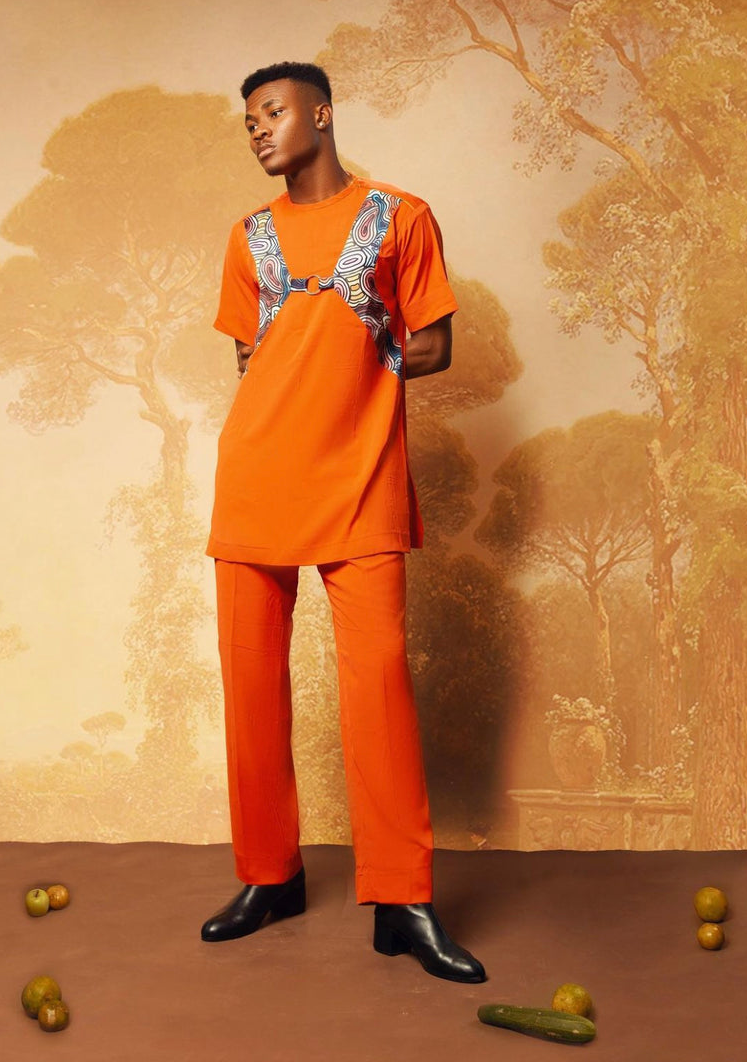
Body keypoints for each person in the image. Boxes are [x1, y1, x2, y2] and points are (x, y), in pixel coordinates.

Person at [201, 61, 486, 984]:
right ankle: (268, 876)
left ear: (321, 114)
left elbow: (434, 343)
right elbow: (253, 356)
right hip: (255, 482)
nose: (258, 129)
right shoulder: (248, 237)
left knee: (379, 691)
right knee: (251, 687)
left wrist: (361, 338)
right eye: (249, 120)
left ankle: (403, 901)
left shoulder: (400, 217)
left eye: (273, 111)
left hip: (360, 480)